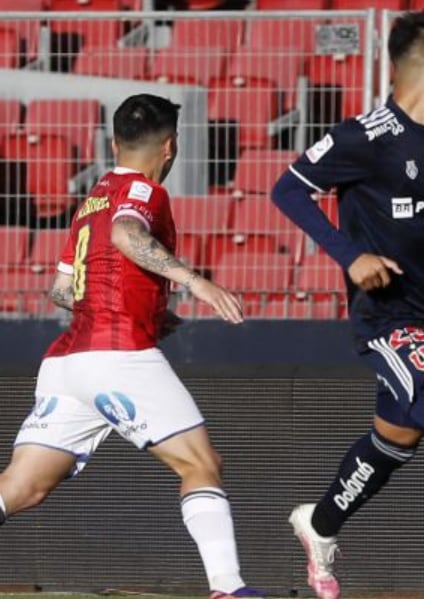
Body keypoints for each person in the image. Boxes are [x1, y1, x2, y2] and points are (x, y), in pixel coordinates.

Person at [271, 10, 424, 599]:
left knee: (394, 442)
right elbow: (288, 189)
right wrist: (350, 254)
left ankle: (319, 525)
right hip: (390, 321)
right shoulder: (365, 136)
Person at [0, 94, 260, 599]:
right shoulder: (145, 192)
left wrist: (152, 310)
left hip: (66, 361)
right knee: (200, 464)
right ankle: (229, 589)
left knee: (20, 488)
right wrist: (195, 282)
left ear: (115, 142)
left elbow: (61, 289)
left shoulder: (91, 198)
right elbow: (125, 234)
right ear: (171, 146)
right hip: (116, 355)